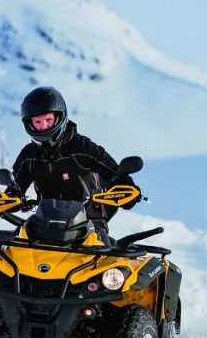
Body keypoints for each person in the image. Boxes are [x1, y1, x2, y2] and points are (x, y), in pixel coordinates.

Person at [11, 86, 133, 245]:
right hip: (44, 224)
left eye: (48, 120)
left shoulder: (82, 147)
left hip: (88, 224)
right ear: (29, 124)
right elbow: (15, 187)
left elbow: (114, 171)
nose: (44, 126)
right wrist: (10, 197)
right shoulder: (29, 156)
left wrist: (127, 187)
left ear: (59, 117)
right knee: (14, 248)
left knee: (103, 260)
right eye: (38, 122)